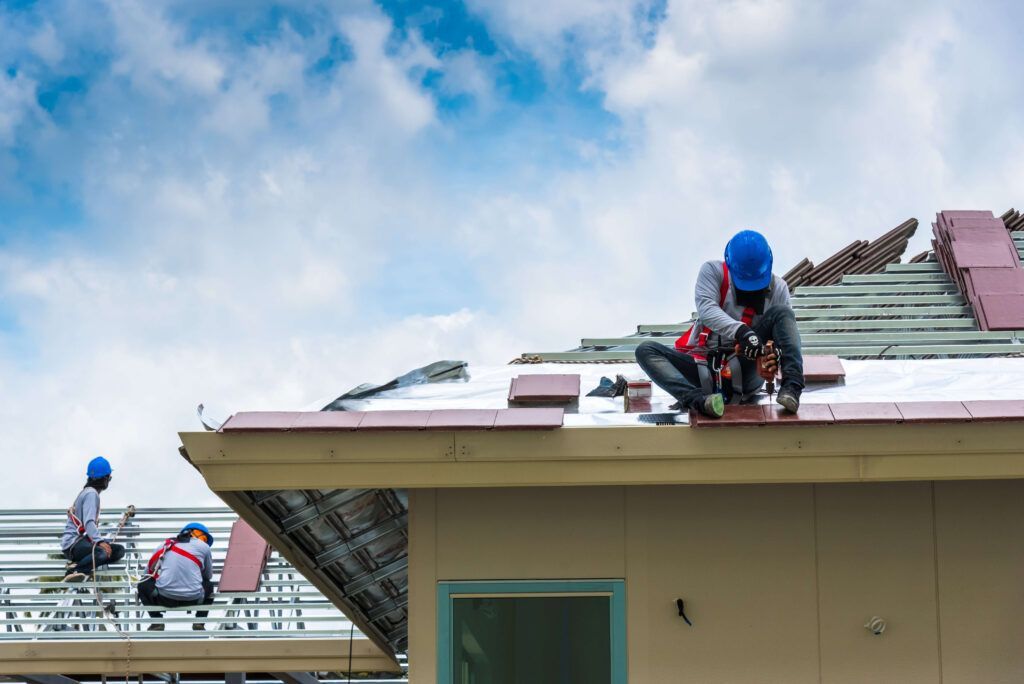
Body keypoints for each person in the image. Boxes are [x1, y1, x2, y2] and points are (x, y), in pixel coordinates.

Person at [635, 229, 805, 418]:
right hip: (702, 369)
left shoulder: (778, 289)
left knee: (782, 313)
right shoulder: (713, 272)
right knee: (646, 350)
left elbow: (784, 337)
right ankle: (700, 401)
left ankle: (792, 387)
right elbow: (707, 309)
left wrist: (770, 359)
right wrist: (742, 332)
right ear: (730, 267)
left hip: (746, 369)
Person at [137, 522, 215, 631]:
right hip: (193, 599)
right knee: (209, 585)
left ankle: (156, 621)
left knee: (142, 585)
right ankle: (200, 622)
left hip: (165, 598)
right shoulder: (204, 547)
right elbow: (208, 575)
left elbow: (147, 574)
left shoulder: (165, 545)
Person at [61, 456, 126, 582]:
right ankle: (76, 570)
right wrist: (100, 542)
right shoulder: (91, 494)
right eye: (109, 478)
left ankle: (80, 563)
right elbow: (89, 523)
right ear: (105, 479)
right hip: (73, 545)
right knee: (102, 553)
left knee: (118, 550)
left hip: (80, 542)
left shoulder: (87, 492)